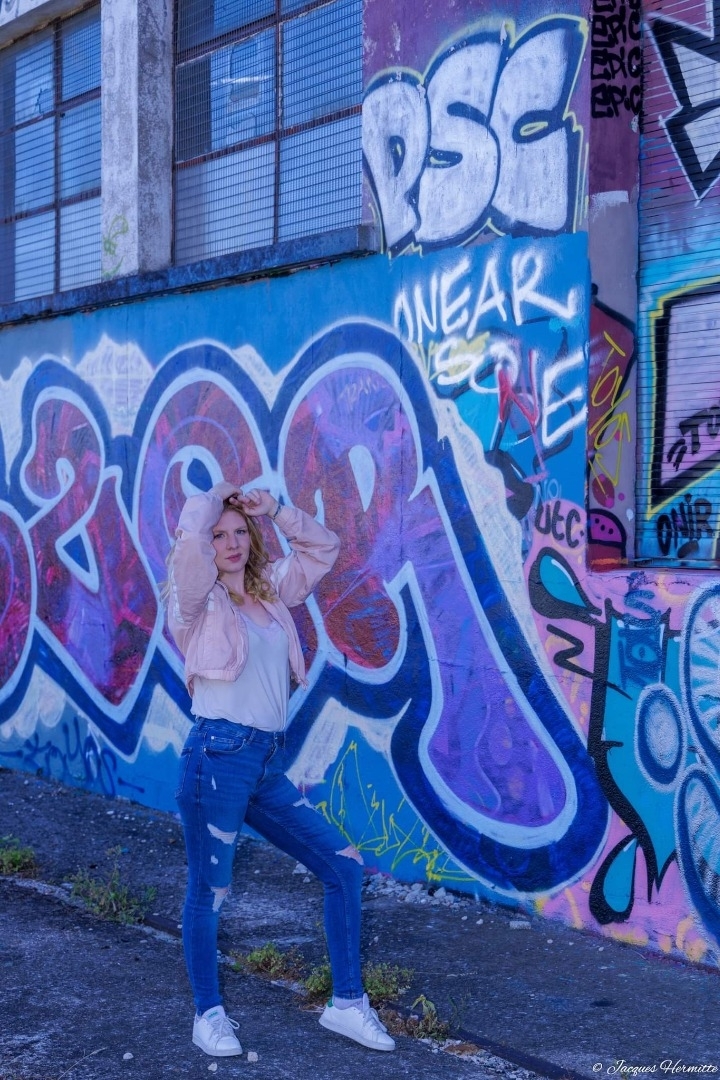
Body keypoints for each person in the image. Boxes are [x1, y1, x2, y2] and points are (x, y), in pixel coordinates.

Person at [165, 480, 395, 1058]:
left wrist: (276, 510)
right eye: (220, 535)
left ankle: (346, 1004)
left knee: (343, 867)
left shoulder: (269, 592)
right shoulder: (194, 603)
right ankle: (208, 1016)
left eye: (239, 532)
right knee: (210, 891)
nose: (231, 543)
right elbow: (189, 542)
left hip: (263, 763)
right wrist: (214, 499)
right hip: (215, 759)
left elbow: (324, 549)